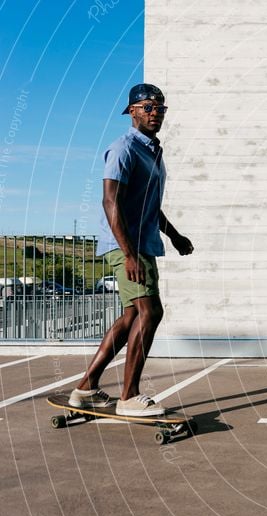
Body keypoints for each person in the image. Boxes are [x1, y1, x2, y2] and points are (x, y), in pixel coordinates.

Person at [69, 83, 194, 416]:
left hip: (141, 244)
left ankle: (85, 389)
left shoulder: (152, 151)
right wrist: (128, 253)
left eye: (161, 109)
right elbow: (110, 200)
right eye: (150, 107)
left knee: (131, 317)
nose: (156, 114)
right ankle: (128, 397)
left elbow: (149, 206)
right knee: (150, 312)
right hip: (126, 245)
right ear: (133, 111)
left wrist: (175, 235)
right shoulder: (124, 147)